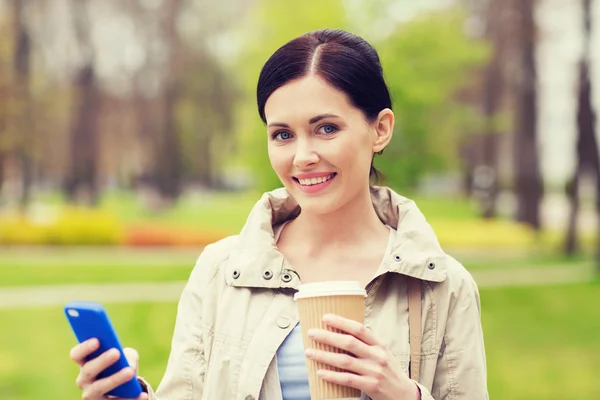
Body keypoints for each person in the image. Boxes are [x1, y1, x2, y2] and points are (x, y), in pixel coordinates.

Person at [70, 29, 488, 400]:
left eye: (327, 128)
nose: (303, 157)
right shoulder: (221, 271)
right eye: (283, 135)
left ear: (380, 129)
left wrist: (404, 396)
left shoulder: (443, 287)